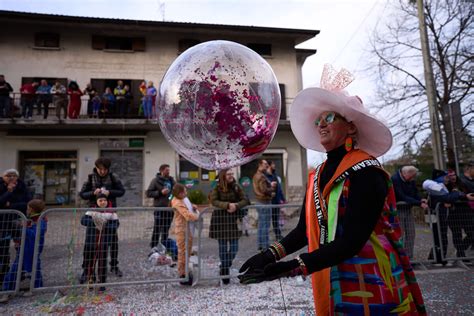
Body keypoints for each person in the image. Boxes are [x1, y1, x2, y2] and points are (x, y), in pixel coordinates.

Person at [239, 65, 426, 315]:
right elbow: (305, 231)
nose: (321, 125)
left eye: (328, 118)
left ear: (351, 127)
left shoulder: (367, 172)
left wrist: (291, 267)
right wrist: (269, 256)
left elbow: (352, 240)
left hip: (374, 283)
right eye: (318, 121)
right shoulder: (317, 175)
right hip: (335, 281)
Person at [79, 158, 125, 278]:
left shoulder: (113, 177)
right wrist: (93, 192)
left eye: (105, 169)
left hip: (109, 212)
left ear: (108, 169)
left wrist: (110, 192)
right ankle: (86, 269)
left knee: (113, 241)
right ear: (96, 168)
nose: (102, 171)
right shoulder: (90, 177)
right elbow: (82, 194)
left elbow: (121, 191)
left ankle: (114, 265)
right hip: (93, 212)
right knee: (89, 243)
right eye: (100, 169)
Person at [209, 169, 249, 284]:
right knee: (222, 248)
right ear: (223, 176)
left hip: (233, 221)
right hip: (220, 220)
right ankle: (225, 273)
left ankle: (224, 268)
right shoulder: (217, 187)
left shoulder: (236, 186)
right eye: (228, 174)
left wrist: (236, 206)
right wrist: (227, 205)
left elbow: (246, 200)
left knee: (234, 248)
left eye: (232, 173)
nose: (231, 175)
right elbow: (214, 201)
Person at [1, 199, 47, 299]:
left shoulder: (41, 221)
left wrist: (24, 228)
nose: (26, 210)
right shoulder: (29, 219)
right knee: (14, 271)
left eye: (27, 208)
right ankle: (7, 290)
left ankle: (36, 288)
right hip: (23, 250)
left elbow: (35, 234)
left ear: (32, 209)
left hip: (33, 251)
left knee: (34, 270)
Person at [80, 193, 118, 291]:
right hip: (91, 241)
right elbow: (83, 221)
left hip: (104, 241)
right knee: (90, 262)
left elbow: (115, 225)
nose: (102, 202)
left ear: (107, 201)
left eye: (104, 200)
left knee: (102, 263)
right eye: (100, 200)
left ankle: (102, 282)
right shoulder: (91, 211)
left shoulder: (111, 213)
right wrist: (96, 222)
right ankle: (91, 281)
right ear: (97, 202)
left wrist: (104, 226)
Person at [0, 169, 31, 285]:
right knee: (3, 248)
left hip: (17, 221)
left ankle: (20, 271)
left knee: (21, 246)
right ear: (3, 177)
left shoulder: (22, 187)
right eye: (8, 175)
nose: (11, 178)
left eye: (14, 175)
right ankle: (3, 273)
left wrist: (11, 205)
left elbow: (27, 203)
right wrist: (8, 192)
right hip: (2, 222)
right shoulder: (1, 186)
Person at [391, 166, 428, 259]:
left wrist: (421, 199)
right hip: (398, 210)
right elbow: (402, 196)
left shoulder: (410, 180)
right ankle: (399, 257)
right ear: (406, 174)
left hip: (407, 209)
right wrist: (419, 203)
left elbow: (415, 193)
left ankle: (408, 257)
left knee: (411, 233)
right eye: (413, 176)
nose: (413, 178)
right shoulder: (395, 180)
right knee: (400, 234)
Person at [170, 183, 199, 285]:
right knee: (182, 252)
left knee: (188, 251)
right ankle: (182, 274)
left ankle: (186, 270)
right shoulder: (177, 202)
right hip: (182, 229)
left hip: (188, 229)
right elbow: (187, 215)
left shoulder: (183, 199)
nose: (186, 193)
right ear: (180, 193)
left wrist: (193, 206)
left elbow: (188, 208)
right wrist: (197, 216)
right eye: (185, 191)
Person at [146, 164, 175, 249]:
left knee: (166, 229)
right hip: (159, 208)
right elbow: (148, 193)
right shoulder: (155, 181)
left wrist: (172, 196)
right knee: (157, 228)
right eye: (167, 170)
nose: (168, 172)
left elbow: (175, 191)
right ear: (161, 171)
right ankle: (153, 246)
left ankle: (164, 246)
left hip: (169, 209)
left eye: (169, 170)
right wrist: (160, 193)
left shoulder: (171, 180)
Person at [252, 159, 276, 251]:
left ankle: (260, 245)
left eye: (267, 164)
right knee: (265, 225)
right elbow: (264, 190)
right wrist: (272, 188)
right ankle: (265, 247)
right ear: (260, 165)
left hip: (259, 202)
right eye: (265, 164)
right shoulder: (261, 176)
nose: (267, 165)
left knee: (261, 225)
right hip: (264, 202)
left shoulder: (256, 175)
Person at [266, 160, 286, 241]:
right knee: (267, 221)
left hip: (276, 201)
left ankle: (278, 235)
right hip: (269, 201)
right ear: (269, 165)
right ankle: (265, 239)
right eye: (273, 164)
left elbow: (279, 188)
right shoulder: (266, 176)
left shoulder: (274, 175)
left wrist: (283, 199)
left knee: (275, 219)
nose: (274, 165)